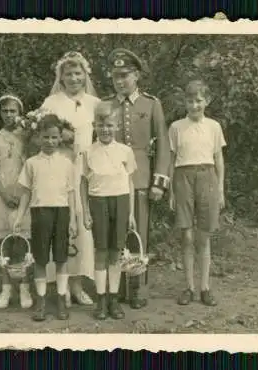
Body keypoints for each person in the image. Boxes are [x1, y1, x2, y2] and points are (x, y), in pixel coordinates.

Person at [102, 48, 170, 309]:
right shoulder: (107, 105)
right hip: (111, 179)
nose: (120, 81)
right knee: (115, 234)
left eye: (125, 75)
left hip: (140, 178)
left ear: (137, 75)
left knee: (138, 233)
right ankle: (117, 286)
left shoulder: (151, 104)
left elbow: (163, 144)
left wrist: (159, 182)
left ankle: (137, 287)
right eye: (115, 76)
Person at [39, 51, 101, 307]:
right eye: (68, 74)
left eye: (78, 73)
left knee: (83, 226)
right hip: (59, 167)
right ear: (60, 77)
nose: (74, 78)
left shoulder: (94, 103)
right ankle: (59, 285)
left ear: (85, 75)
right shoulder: (51, 102)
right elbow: (40, 134)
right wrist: (61, 138)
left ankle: (77, 285)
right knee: (60, 223)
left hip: (85, 169)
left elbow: (103, 135)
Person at [14, 114, 77, 321]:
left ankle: (60, 299)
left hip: (62, 212)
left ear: (60, 138)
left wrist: (74, 220)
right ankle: (40, 301)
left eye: (54, 137)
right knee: (40, 259)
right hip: (40, 212)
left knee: (61, 258)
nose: (50, 142)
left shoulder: (67, 162)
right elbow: (26, 192)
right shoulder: (32, 163)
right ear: (38, 138)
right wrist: (19, 216)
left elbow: (70, 192)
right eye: (46, 137)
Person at [168, 80, 226, 306]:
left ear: (207, 101)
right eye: (190, 101)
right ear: (185, 102)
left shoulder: (214, 126)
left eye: (199, 101)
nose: (194, 106)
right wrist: (172, 192)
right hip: (183, 177)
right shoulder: (176, 127)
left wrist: (220, 189)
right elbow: (172, 161)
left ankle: (205, 287)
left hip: (207, 175)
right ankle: (189, 287)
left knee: (203, 236)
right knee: (187, 236)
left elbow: (219, 159)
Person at [80, 101, 137, 320]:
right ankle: (101, 300)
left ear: (117, 126)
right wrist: (85, 211)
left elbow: (130, 183)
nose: (105, 129)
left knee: (116, 251)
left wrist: (130, 213)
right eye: (101, 125)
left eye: (110, 125)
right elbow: (83, 183)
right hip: (98, 201)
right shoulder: (88, 152)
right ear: (94, 125)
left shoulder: (125, 151)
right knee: (101, 251)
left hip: (120, 201)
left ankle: (114, 299)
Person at [0, 94, 33, 309]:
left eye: (13, 111)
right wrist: (4, 194)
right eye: (5, 111)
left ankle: (24, 287)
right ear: (0, 114)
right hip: (1, 192)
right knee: (4, 243)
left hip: (23, 191)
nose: (9, 115)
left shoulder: (28, 136)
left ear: (19, 112)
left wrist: (22, 194)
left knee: (22, 241)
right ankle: (6, 288)